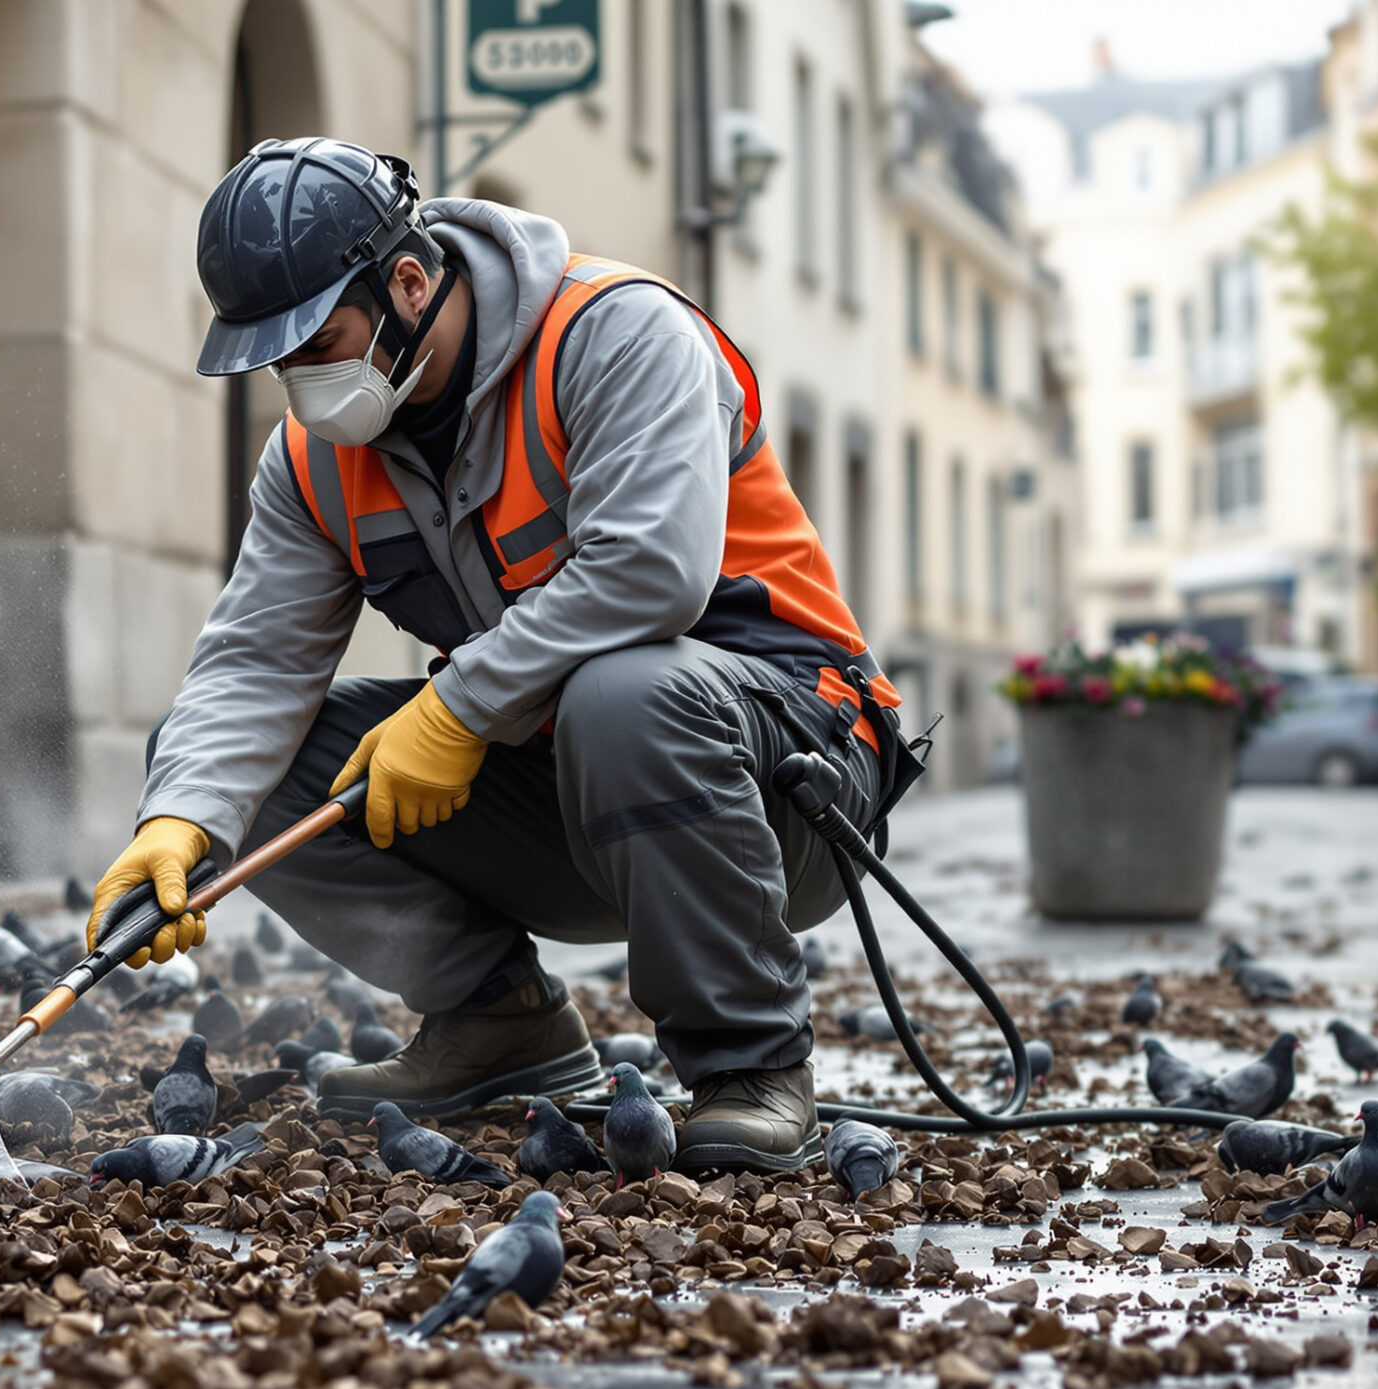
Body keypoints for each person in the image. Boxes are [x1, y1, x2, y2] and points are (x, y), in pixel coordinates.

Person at [86, 138, 918, 1175]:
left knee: (626, 693)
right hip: (577, 783)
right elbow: (255, 661)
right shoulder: (313, 462)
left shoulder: (614, 333)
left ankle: (750, 1065)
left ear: (407, 282)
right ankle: (500, 1020)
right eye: (277, 360)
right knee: (247, 762)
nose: (299, 382)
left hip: (794, 777)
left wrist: (455, 708)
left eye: (318, 342)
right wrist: (179, 820)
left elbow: (652, 570)